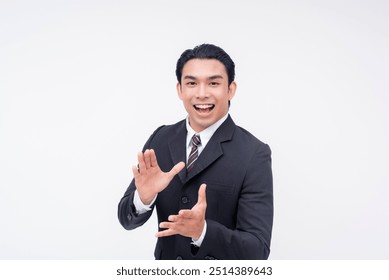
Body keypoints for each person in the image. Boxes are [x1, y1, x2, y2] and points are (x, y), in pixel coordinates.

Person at [118, 43, 273, 260]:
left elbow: (258, 250)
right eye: (191, 83)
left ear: (231, 89)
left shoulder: (254, 153)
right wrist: (143, 198)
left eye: (213, 83)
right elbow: (126, 219)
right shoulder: (161, 138)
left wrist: (203, 232)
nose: (201, 94)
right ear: (180, 90)